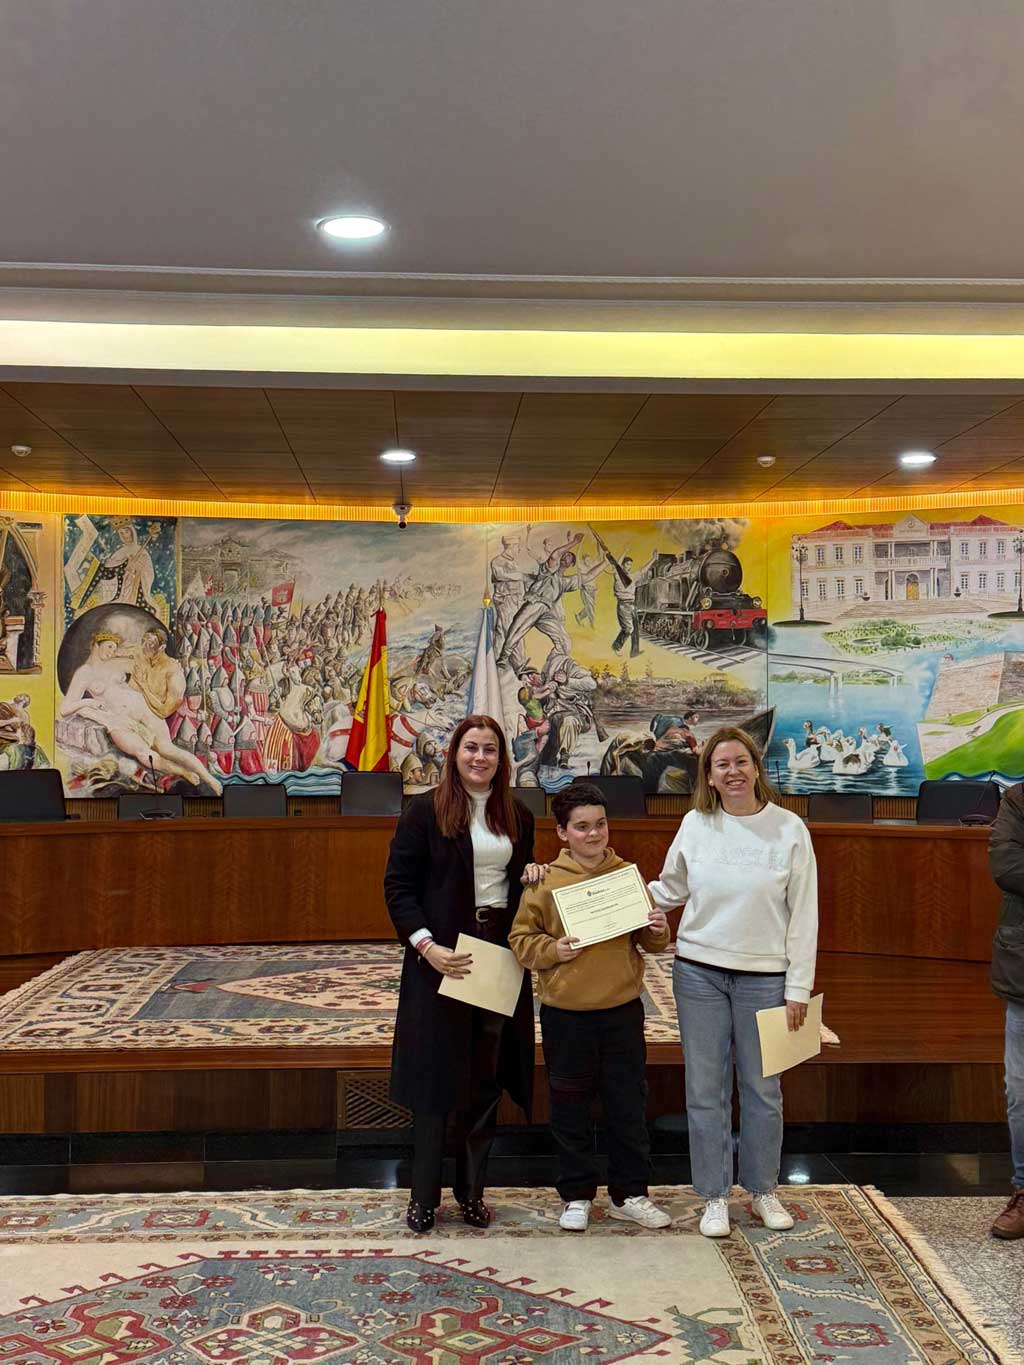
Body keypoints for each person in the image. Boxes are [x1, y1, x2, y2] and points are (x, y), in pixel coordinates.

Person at [647, 726, 818, 1239]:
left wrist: (798, 988)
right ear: (709, 776)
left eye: (741, 761)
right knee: (705, 1090)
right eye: (722, 764)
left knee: (763, 1090)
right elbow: (668, 889)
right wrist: (604, 897)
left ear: (756, 768)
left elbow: (804, 914)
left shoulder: (789, 829)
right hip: (698, 974)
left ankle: (763, 1189)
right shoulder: (695, 824)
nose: (733, 771)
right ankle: (714, 1195)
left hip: (766, 980)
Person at [384, 713, 536, 1234]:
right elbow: (398, 888)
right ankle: (423, 1197)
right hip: (442, 956)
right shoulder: (424, 811)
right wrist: (426, 946)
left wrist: (534, 874)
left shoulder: (517, 814)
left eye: (490, 749)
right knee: (435, 1078)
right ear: (454, 754)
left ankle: (472, 1194)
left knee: (483, 1080)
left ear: (501, 758)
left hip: (498, 955)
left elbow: (520, 880)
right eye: (471, 747)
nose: (480, 757)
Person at [510, 780, 672, 1232]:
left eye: (600, 824)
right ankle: (577, 1194)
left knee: (628, 1104)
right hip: (566, 1014)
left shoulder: (627, 877)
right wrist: (553, 950)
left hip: (622, 1010)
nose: (594, 834)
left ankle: (630, 1193)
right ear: (563, 832)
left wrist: (658, 928)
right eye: (581, 827)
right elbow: (521, 941)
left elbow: (651, 942)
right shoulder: (544, 882)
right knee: (569, 1106)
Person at [985, 784, 1024, 1238]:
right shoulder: (1018, 801)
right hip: (1023, 972)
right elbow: (1008, 866)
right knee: (1021, 1093)